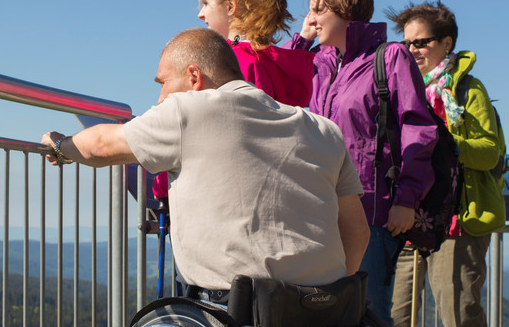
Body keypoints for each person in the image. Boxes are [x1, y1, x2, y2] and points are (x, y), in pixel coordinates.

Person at [42, 27, 369, 290]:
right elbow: (357, 233)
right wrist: (327, 289)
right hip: (327, 309)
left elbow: (99, 145)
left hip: (235, 308)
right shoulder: (324, 130)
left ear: (194, 78)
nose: (159, 98)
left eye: (163, 83)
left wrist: (60, 145)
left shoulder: (188, 110)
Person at [388, 1, 503, 327]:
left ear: (447, 43)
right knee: (395, 319)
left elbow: (488, 153)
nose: (413, 50)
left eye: (423, 42)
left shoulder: (467, 91)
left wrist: (445, 136)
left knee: (460, 317)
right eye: (408, 43)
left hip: (458, 221)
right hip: (410, 220)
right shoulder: (401, 90)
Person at [297, 0, 438, 327]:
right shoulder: (321, 64)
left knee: (370, 319)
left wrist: (407, 199)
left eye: (319, 8)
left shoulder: (389, 58)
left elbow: (418, 128)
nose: (310, 17)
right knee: (329, 319)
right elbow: (288, 95)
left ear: (346, 11)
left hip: (372, 212)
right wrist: (301, 43)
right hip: (323, 209)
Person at [152, 0, 314, 199]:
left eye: (206, 3)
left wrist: (160, 184)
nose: (200, 14)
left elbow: (198, 132)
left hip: (226, 195)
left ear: (230, 6)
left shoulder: (228, 64)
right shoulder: (272, 63)